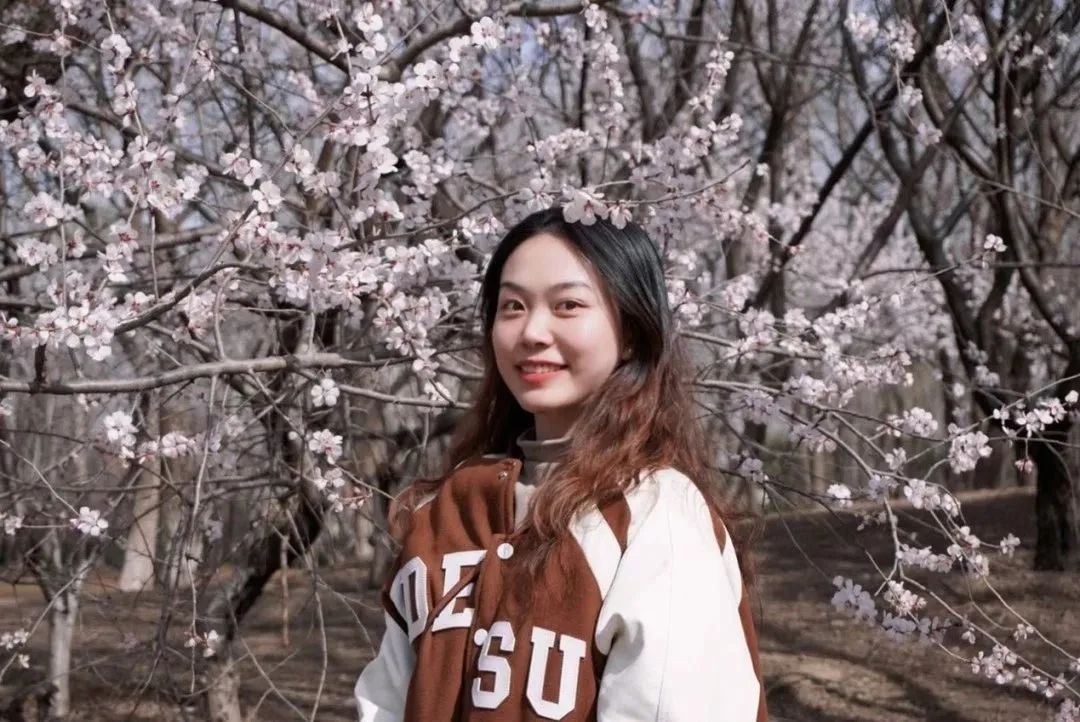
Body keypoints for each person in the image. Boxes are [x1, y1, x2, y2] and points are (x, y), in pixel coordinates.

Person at [354, 206, 767, 721]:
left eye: (568, 305)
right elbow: (385, 702)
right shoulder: (447, 511)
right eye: (512, 306)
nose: (532, 331)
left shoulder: (653, 513)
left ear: (631, 332)